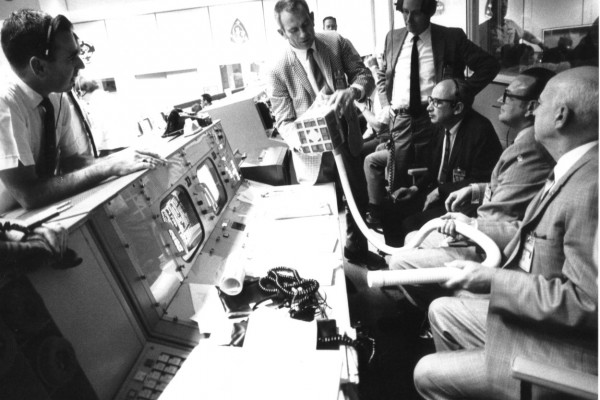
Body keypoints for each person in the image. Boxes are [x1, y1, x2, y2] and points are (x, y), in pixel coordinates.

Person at [413, 66, 598, 400]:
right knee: (442, 310)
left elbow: (589, 305)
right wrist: (471, 226)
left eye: (539, 103)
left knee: (426, 373)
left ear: (560, 116)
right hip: (541, 324)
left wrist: (494, 281)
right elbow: (529, 233)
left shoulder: (592, 188)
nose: (533, 111)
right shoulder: (573, 166)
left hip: (560, 351)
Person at [389, 68, 556, 307]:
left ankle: (435, 311)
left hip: (483, 244)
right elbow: (504, 187)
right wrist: (476, 191)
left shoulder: (527, 150)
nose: (499, 99)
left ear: (531, 108)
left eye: (508, 96)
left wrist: (466, 226)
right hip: (475, 225)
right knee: (411, 236)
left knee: (399, 261)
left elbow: (500, 216)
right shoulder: (521, 146)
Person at [0, 10, 166, 213]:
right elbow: (28, 194)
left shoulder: (56, 96)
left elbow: (71, 163)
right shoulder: (5, 104)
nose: (81, 64)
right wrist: (107, 167)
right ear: (39, 67)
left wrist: (120, 159)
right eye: (71, 58)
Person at [267, 0, 385, 269]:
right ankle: (333, 273)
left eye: (306, 24)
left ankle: (356, 251)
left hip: (348, 140)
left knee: (357, 199)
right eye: (293, 30)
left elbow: (364, 75)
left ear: (311, 16)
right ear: (282, 33)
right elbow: (284, 122)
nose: (303, 34)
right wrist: (310, 133)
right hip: (314, 155)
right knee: (324, 214)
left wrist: (353, 91)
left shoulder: (335, 42)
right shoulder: (276, 69)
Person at [366, 0, 500, 229]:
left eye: (416, 14)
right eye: (405, 12)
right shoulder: (393, 37)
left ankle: (424, 233)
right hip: (401, 121)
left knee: (436, 174)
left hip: (434, 120)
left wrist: (461, 93)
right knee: (399, 186)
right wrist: (387, 105)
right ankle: (397, 241)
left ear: (429, 11)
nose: (408, 20)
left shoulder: (451, 38)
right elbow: (386, 75)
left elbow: (489, 65)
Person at [380, 78, 502, 243]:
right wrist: (415, 188)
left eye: (437, 103)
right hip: (436, 194)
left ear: (457, 108)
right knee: (388, 208)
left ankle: (405, 262)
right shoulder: (439, 125)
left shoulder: (481, 131)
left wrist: (440, 191)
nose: (429, 108)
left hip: (459, 204)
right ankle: (393, 258)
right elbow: (432, 168)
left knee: (411, 224)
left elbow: (481, 181)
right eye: (430, 100)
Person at [478, 0, 546, 67]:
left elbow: (526, 35)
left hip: (511, 66)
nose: (503, 10)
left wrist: (541, 44)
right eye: (501, 7)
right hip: (493, 67)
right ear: (493, 8)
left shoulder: (511, 24)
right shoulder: (483, 28)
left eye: (505, 7)